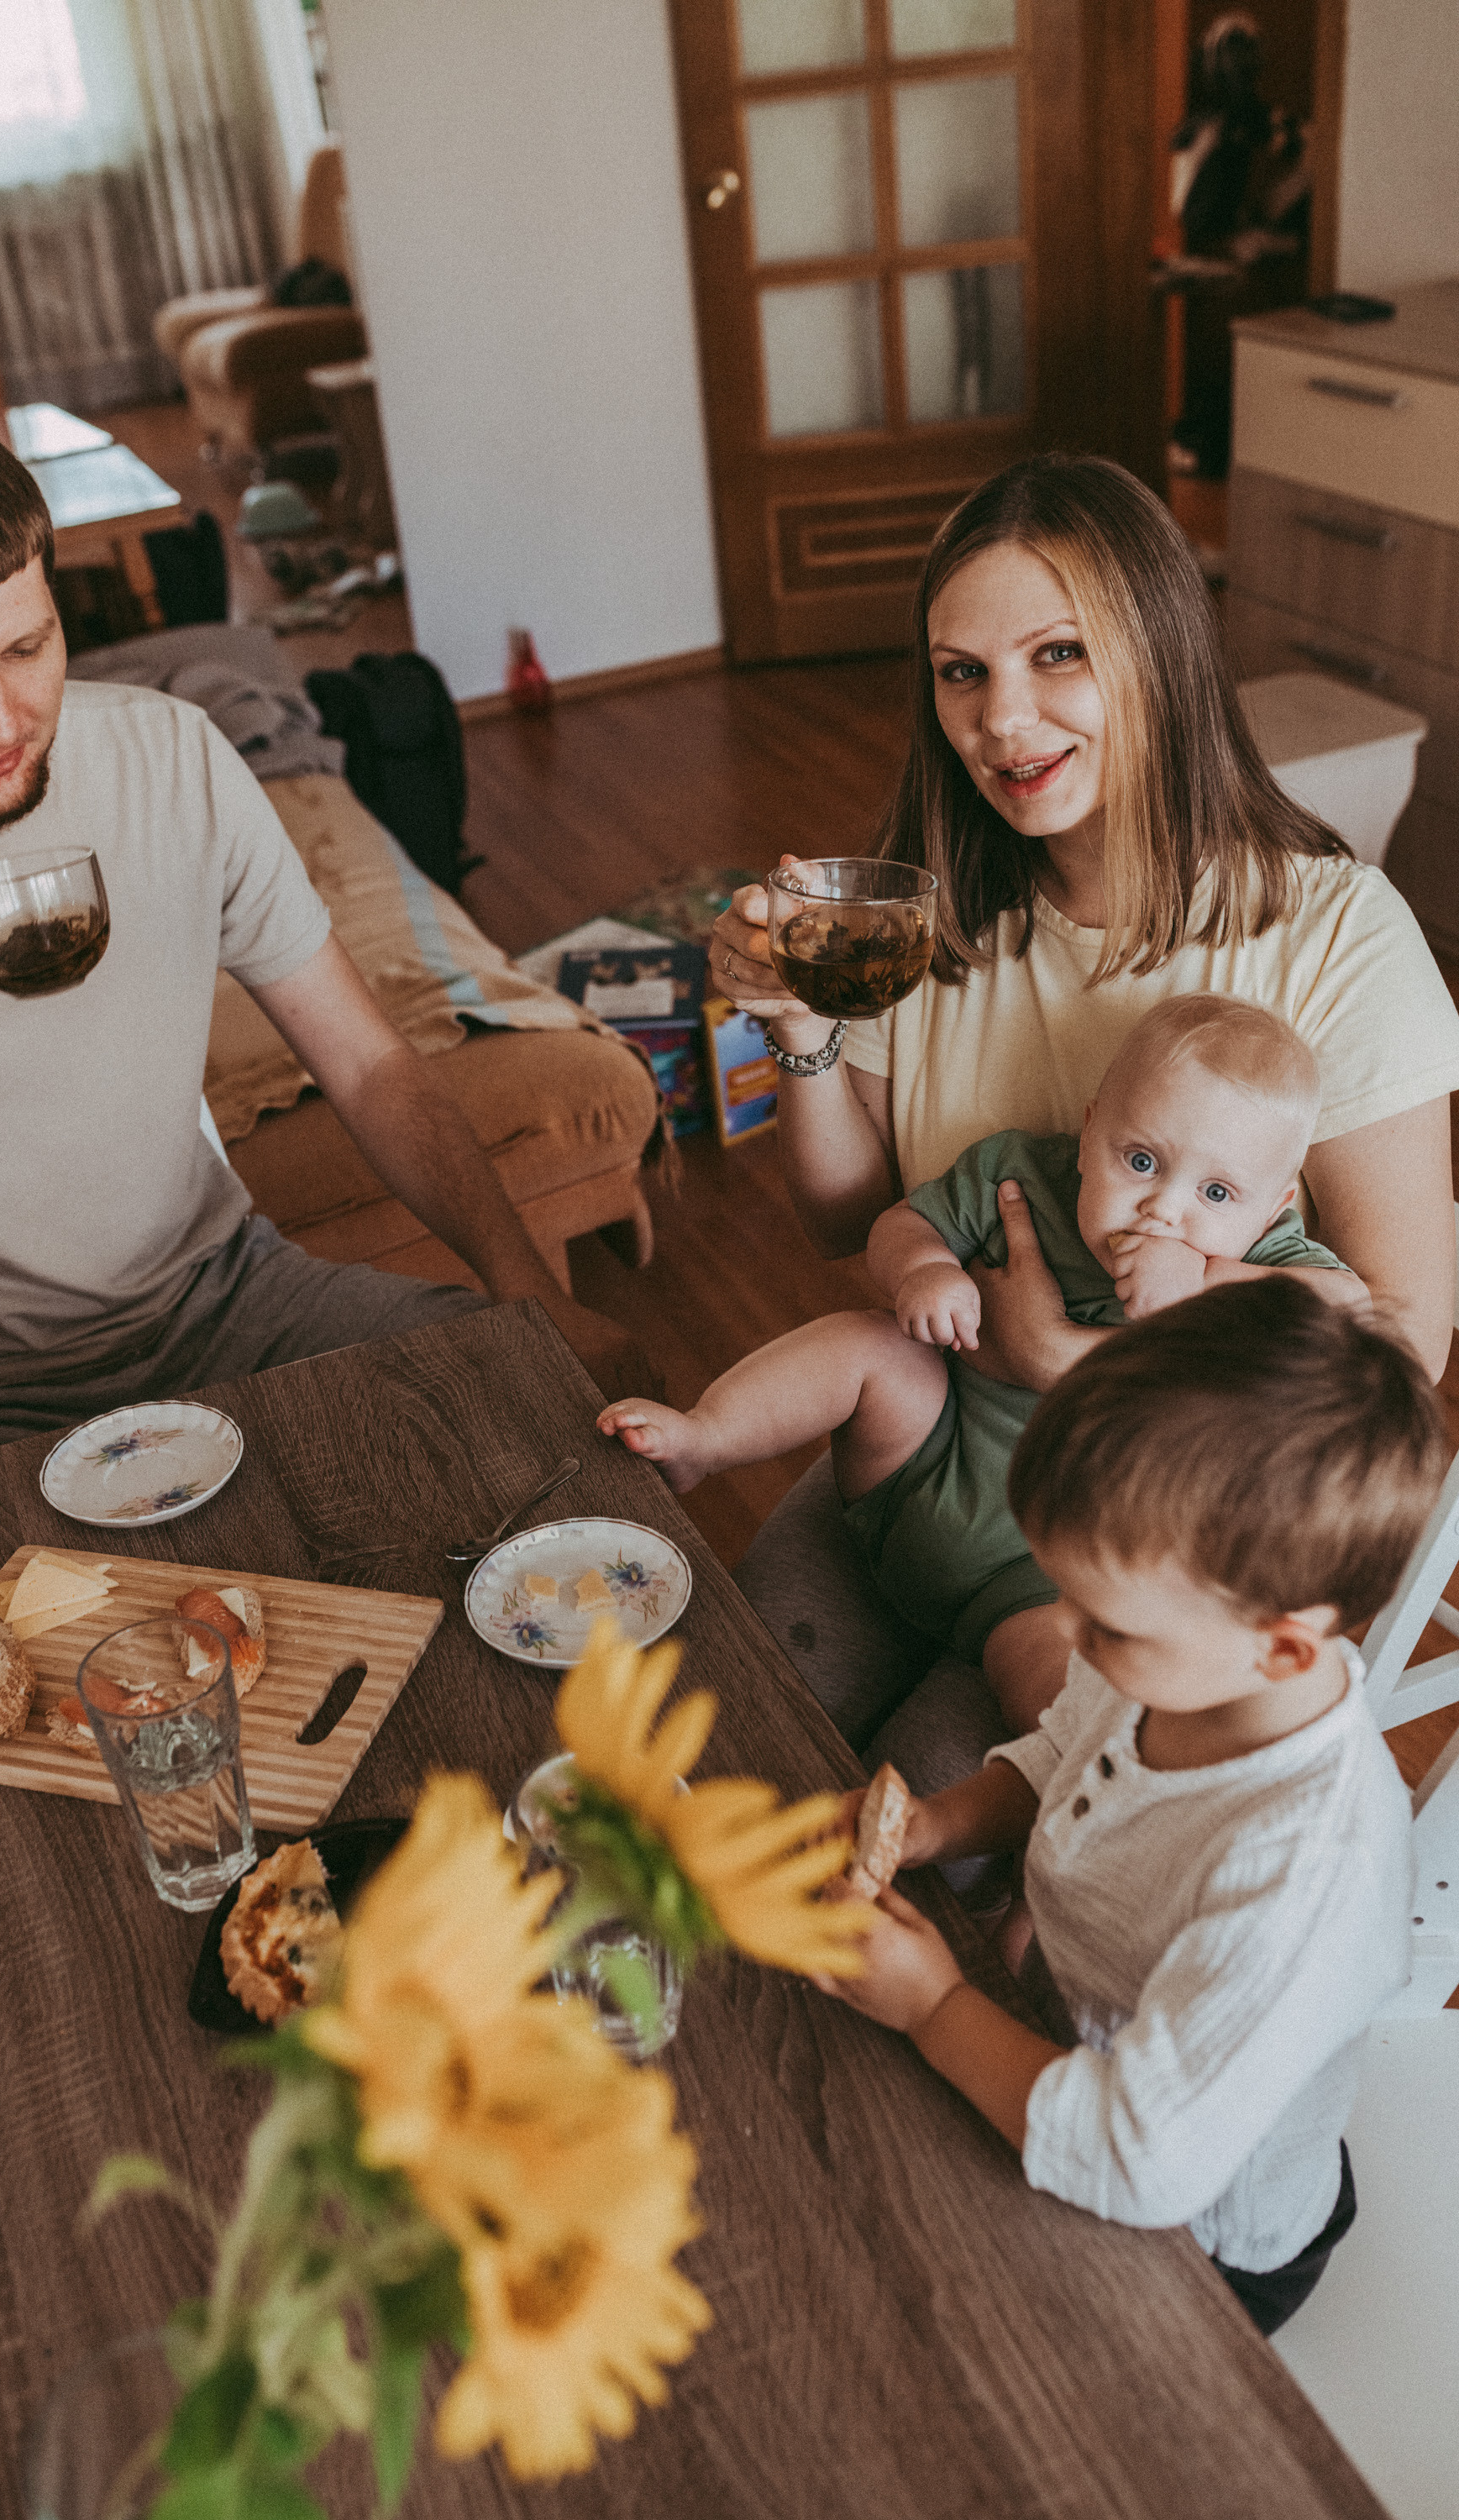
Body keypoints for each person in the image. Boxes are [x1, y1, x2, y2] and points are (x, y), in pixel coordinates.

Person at [708, 452, 1459, 1755]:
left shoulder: (1337, 935)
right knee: (715, 1735)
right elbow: (845, 1216)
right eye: (964, 672)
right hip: (934, 1462)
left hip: (1171, 1539)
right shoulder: (931, 917)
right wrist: (800, 1031)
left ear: (1161, 653)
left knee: (941, 1814)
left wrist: (1079, 1366)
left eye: (1059, 655)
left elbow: (1396, 1355)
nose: (1003, 723)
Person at [0, 406, 641, 1486]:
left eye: (27, 647)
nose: (0, 721)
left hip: (228, 1299)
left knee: (567, 1417)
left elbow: (370, 1068)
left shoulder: (171, 756)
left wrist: (534, 1298)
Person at [816, 1277, 1443, 2337]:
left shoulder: (1303, 1870)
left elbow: (1138, 2161)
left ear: (1283, 1644)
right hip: (1058, 2053)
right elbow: (1063, 1749)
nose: (1068, 1634)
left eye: (1102, 1620)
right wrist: (938, 1824)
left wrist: (932, 2006)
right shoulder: (1175, 1659)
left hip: (1194, 2237)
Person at [601, 995, 1356, 1729]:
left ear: (1272, 1208)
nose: (1163, 1209)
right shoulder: (1019, 1173)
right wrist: (925, 1269)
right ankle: (706, 1438)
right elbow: (899, 1225)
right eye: (1141, 1159)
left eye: (1216, 1191)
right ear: (1090, 1131)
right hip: (925, 1468)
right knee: (873, 1344)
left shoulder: (1265, 1258)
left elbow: (1362, 1314)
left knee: (1059, 1700)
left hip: (1056, 1574)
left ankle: (1059, 1794)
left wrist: (1209, 1282)